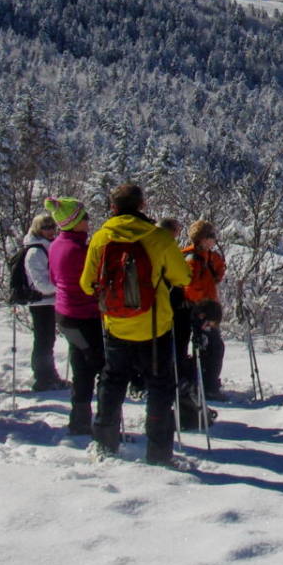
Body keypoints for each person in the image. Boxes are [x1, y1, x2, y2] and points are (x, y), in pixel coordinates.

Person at [80, 184, 190, 465]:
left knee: (112, 381)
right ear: (142, 205)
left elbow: (86, 284)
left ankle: (104, 444)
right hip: (155, 326)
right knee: (159, 387)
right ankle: (159, 453)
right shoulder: (158, 237)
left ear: (113, 207)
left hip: (116, 324)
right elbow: (183, 277)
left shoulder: (101, 237)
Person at [45, 196, 102, 437]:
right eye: (84, 217)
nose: (88, 220)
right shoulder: (79, 250)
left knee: (81, 368)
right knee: (100, 367)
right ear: (73, 221)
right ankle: (103, 424)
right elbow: (95, 283)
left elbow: (53, 279)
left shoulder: (56, 245)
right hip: (84, 315)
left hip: (65, 315)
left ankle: (79, 420)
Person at [177, 219, 228, 417]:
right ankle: (208, 386)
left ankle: (203, 383)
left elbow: (218, 274)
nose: (215, 239)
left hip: (204, 309)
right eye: (211, 236)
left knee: (208, 346)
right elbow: (190, 287)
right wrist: (204, 307)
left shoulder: (206, 257)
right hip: (201, 310)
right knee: (212, 347)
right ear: (202, 239)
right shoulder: (193, 259)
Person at [17, 212, 64, 391]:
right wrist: (63, 287)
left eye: (52, 226)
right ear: (38, 229)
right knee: (44, 340)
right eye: (46, 227)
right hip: (41, 302)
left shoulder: (47, 247)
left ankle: (48, 375)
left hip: (49, 301)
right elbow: (41, 284)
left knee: (47, 339)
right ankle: (43, 377)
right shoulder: (35, 251)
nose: (50, 230)